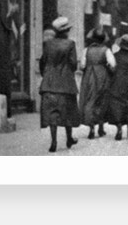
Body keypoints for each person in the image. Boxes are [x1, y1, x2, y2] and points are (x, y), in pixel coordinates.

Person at [38, 16, 81, 153]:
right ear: (67, 30)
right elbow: (74, 64)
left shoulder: (48, 44)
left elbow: (42, 62)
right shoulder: (70, 44)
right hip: (66, 83)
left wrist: (46, 74)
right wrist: (68, 72)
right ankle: (69, 138)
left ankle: (54, 141)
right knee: (68, 112)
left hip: (49, 83)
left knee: (52, 114)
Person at [78, 27, 115, 139]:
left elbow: (82, 66)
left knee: (90, 100)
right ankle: (100, 127)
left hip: (89, 77)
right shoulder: (106, 50)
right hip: (103, 75)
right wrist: (109, 70)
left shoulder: (86, 50)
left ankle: (91, 127)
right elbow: (113, 65)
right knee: (102, 100)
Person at [105, 34, 128, 140]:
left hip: (117, 81)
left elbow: (111, 68)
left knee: (117, 104)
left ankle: (119, 128)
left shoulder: (116, 55)